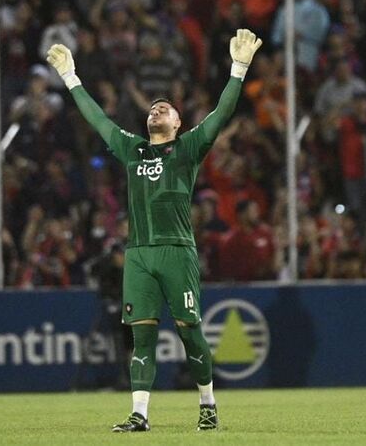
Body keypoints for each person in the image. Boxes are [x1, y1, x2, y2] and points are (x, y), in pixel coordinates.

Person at [47, 28, 262, 432]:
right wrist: (71, 77)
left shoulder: (188, 148)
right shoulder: (133, 149)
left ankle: (208, 403)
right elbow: (98, 119)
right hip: (139, 254)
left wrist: (238, 68)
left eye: (165, 108)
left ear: (179, 123)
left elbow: (221, 114)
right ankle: (140, 414)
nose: (156, 110)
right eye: (153, 108)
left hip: (178, 251)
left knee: (190, 331)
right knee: (141, 338)